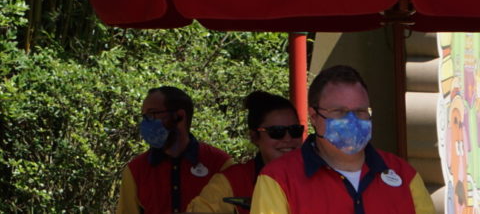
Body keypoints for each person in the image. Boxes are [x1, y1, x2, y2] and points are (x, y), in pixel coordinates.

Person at [251, 65, 435, 213]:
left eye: (360, 111)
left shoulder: (405, 175)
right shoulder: (278, 178)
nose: (352, 120)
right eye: (339, 112)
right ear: (314, 116)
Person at [117, 86, 232, 214]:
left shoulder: (220, 164)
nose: (146, 122)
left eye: (152, 114)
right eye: (144, 116)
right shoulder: (135, 170)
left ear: (180, 116)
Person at [187, 92, 303, 213]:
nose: (288, 139)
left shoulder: (315, 173)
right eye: (277, 132)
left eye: (295, 131)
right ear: (254, 137)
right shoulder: (232, 181)